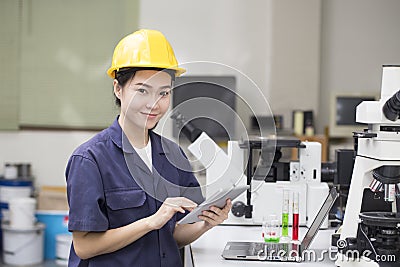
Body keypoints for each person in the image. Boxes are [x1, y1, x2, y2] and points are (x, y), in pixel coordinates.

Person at [65, 29, 232, 266]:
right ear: (118, 89)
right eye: (142, 90)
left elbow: (173, 236)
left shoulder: (174, 155)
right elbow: (84, 247)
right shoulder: (90, 160)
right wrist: (151, 222)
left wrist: (206, 223)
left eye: (163, 93)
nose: (154, 104)